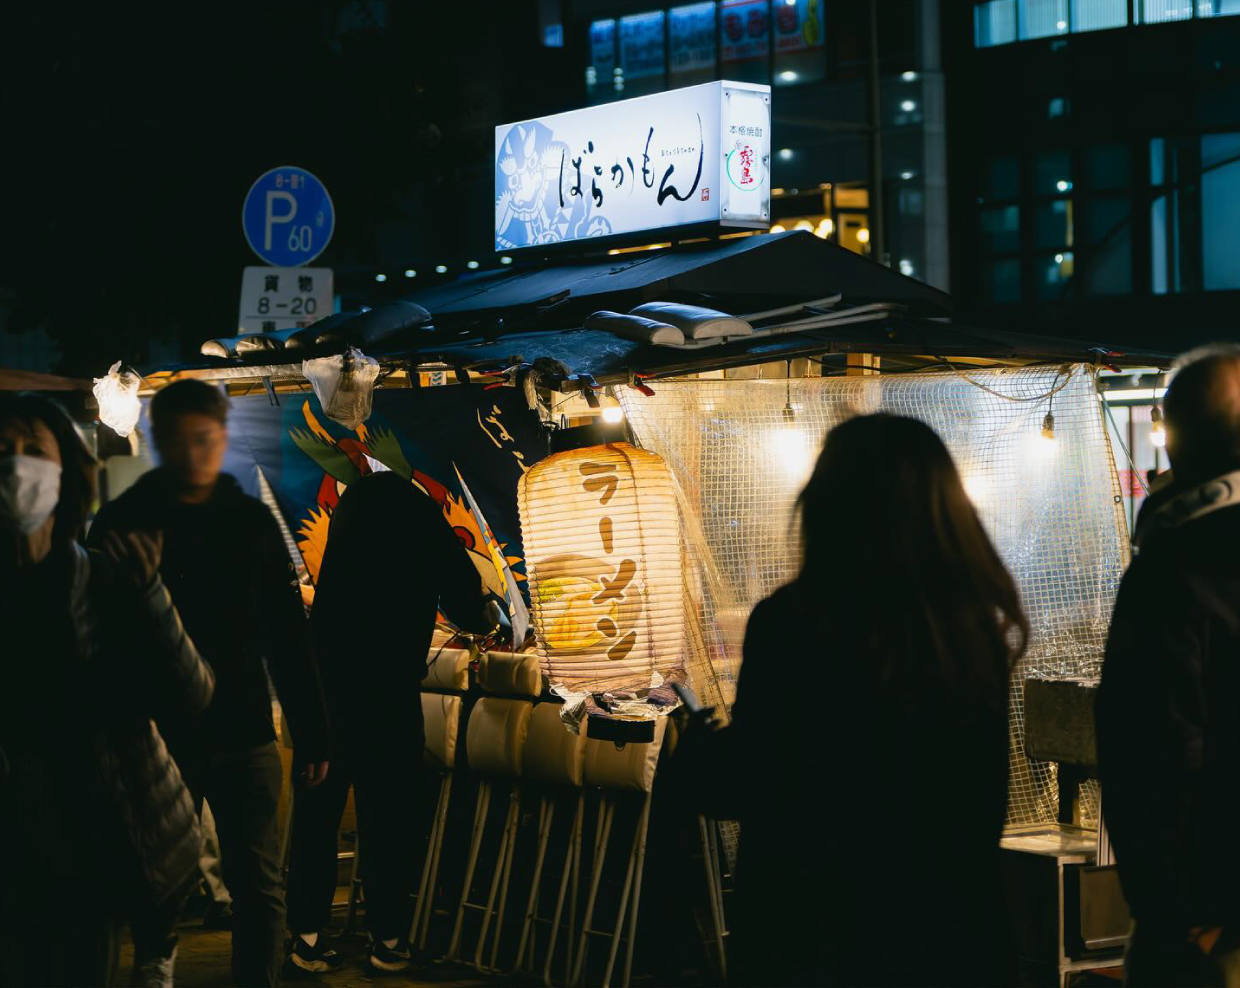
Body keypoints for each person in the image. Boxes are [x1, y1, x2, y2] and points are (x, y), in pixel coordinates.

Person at [675, 413, 1026, 987]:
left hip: (810, 931)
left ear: (826, 506)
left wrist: (700, 754)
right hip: (944, 932)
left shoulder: (793, 623)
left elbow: (755, 782)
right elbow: (980, 809)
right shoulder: (968, 631)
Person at [88, 379, 331, 987]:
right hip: (153, 734)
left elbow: (286, 633)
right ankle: (154, 969)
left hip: (243, 726)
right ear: (159, 441)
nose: (195, 452)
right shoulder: (123, 522)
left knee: (258, 882)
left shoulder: (249, 522)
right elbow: (95, 635)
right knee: (151, 876)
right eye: (180, 440)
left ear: (221, 439)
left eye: (206, 438)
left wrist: (312, 731)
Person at [0, 393, 215, 987]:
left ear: (65, 471)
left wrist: (150, 595)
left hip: (93, 844)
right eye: (3, 451)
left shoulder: (104, 577)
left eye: (33, 450)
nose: (16, 466)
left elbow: (193, 694)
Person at [284, 471, 494, 976]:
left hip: (328, 689)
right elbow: (468, 605)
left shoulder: (351, 513)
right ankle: (389, 941)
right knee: (389, 818)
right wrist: (485, 616)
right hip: (390, 694)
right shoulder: (422, 519)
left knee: (317, 814)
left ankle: (306, 938)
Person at [1098, 346, 1240, 987]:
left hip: (1207, 924)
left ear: (1174, 443)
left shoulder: (1171, 567)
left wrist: (1177, 914)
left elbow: (1151, 751)